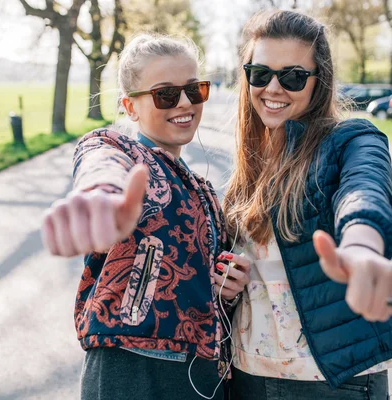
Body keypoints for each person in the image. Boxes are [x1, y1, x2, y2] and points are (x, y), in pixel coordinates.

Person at [40, 33, 250, 400]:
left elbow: (209, 281)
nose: (184, 102)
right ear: (130, 107)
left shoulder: (203, 190)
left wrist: (226, 285)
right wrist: (99, 195)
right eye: (165, 94)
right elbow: (100, 162)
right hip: (133, 368)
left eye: (194, 89)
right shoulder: (123, 150)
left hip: (201, 376)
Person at [222, 10, 392, 400]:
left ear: (318, 81)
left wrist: (361, 247)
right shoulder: (250, 168)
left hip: (330, 381)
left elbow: (365, 192)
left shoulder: (349, 139)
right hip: (248, 376)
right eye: (260, 73)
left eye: (292, 76)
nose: (273, 88)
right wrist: (227, 285)